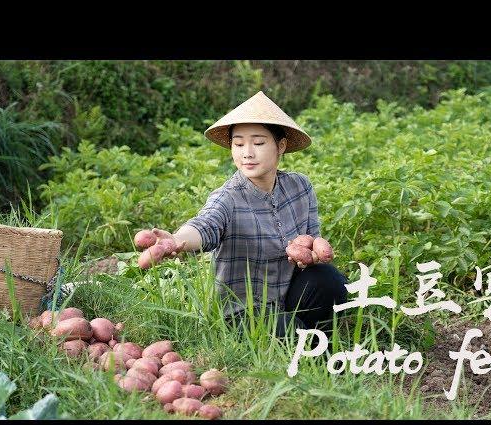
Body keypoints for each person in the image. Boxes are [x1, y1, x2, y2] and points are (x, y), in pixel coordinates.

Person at [149, 91, 348, 337]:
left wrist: (313, 252)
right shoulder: (227, 197)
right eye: (239, 143)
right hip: (243, 312)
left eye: (259, 143)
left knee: (329, 279)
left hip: (286, 296)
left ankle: (316, 334)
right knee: (301, 343)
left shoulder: (300, 186)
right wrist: (178, 240)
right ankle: (304, 341)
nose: (247, 153)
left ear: (281, 146)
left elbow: (312, 242)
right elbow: (206, 224)